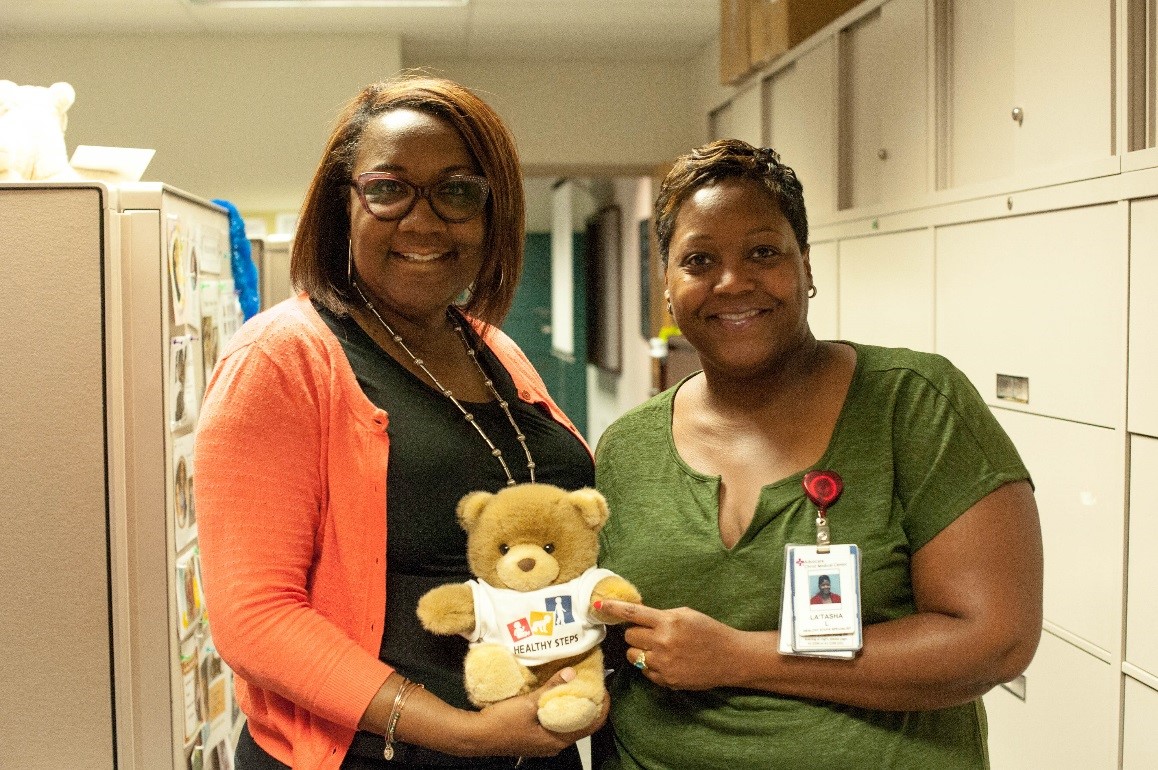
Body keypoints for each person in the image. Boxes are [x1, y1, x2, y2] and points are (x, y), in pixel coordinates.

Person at [592, 139, 1043, 769]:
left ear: (806, 266)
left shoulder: (911, 406)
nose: (733, 282)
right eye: (698, 260)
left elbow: (994, 641)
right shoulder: (626, 448)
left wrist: (741, 657)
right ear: (666, 287)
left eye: (763, 252)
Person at [195, 74, 601, 770]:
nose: (422, 220)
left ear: (490, 213)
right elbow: (256, 618)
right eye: (388, 188)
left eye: (457, 191)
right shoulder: (281, 359)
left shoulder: (492, 348)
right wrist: (461, 731)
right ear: (341, 206)